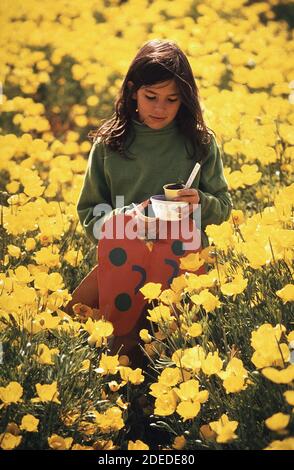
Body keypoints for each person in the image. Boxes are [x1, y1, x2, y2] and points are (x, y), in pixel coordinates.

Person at [65, 39, 232, 365]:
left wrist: (200, 201)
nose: (160, 108)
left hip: (183, 263)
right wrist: (126, 223)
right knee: (86, 329)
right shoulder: (109, 145)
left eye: (172, 99)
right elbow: (89, 212)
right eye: (150, 97)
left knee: (176, 350)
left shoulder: (199, 142)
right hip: (122, 260)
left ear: (185, 100)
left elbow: (224, 205)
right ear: (132, 91)